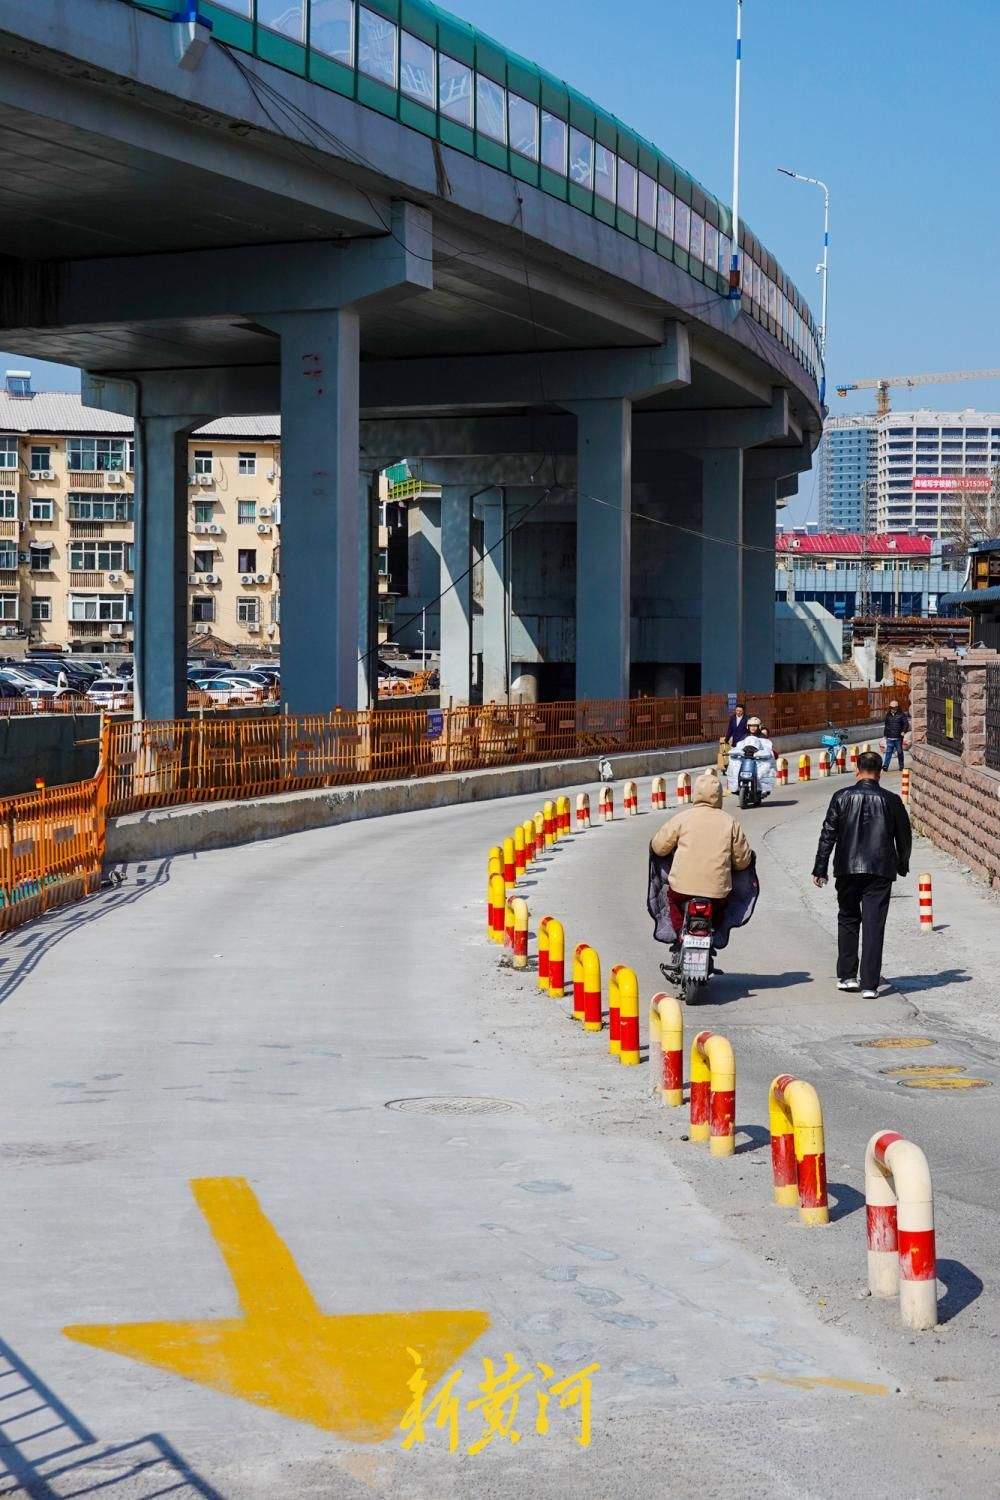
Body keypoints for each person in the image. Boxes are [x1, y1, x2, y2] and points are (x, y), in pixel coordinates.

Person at [811, 749, 912, 998]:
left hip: (846, 868)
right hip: (880, 870)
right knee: (874, 924)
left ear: (857, 770)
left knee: (847, 918)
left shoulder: (841, 797)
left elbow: (828, 834)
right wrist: (902, 863)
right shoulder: (891, 800)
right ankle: (869, 984)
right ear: (879, 772)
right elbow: (904, 837)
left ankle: (847, 976)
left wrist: (820, 868)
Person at [651, 769, 753, 938]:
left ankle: (679, 936)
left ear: (696, 793)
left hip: (681, 888)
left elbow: (659, 847)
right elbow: (742, 861)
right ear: (719, 795)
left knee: (673, 901)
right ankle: (714, 935)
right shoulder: (730, 822)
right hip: (717, 893)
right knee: (722, 908)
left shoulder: (683, 818)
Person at [726, 715, 776, 796]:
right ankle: (734, 787)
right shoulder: (744, 736)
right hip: (746, 760)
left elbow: (767, 748)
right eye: (751, 726)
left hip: (758, 761)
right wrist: (734, 752)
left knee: (764, 771)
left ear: (759, 727)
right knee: (734, 768)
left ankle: (764, 788)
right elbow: (739, 746)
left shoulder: (762, 737)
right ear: (747, 727)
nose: (753, 728)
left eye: (755, 726)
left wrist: (768, 753)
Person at [882, 698, 911, 772]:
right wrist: (885, 735)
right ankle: (885, 766)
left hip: (898, 738)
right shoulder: (888, 715)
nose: (893, 709)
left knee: (900, 752)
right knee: (888, 752)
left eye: (895, 707)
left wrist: (904, 731)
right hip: (890, 737)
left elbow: (906, 724)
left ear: (897, 707)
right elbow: (886, 725)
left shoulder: (901, 715)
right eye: (892, 707)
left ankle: (901, 766)